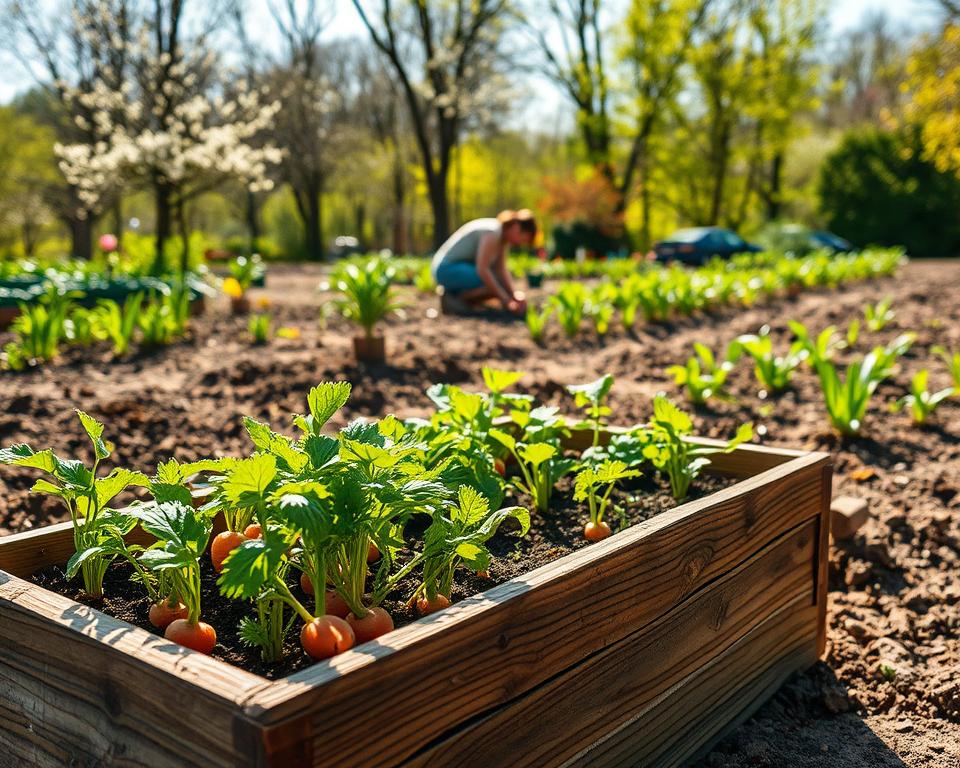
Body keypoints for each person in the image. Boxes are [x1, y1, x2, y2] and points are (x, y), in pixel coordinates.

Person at [431, 209, 536, 315]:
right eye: (522, 239)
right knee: (494, 283)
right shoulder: (493, 232)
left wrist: (513, 295)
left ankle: (460, 298)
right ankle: (454, 299)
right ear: (516, 227)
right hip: (446, 269)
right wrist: (506, 300)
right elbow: (482, 269)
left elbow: (500, 269)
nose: (519, 243)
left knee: (496, 284)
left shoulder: (502, 239)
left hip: (458, 269)